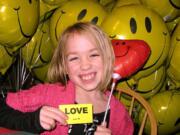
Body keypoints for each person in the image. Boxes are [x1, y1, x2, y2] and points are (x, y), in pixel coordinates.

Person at [0, 22, 134, 135]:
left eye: (93, 55)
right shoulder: (47, 94)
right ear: (64, 66)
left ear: (108, 59)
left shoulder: (119, 114)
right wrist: (32, 120)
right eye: (74, 58)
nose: (85, 65)